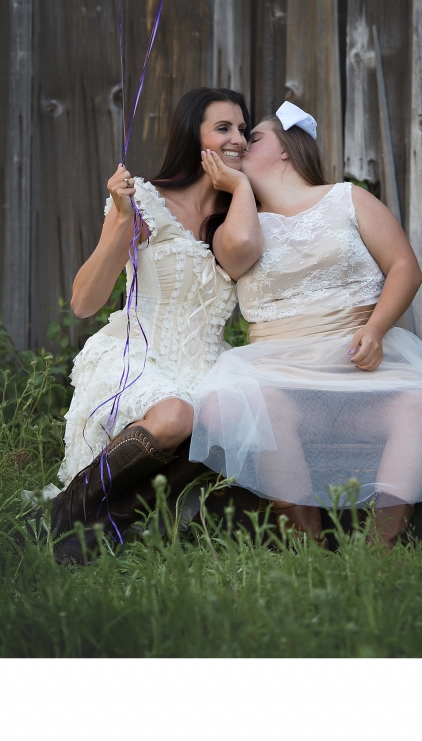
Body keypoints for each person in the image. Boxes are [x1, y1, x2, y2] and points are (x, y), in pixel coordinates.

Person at [189, 101, 422, 548]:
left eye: (257, 136)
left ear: (287, 149)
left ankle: (378, 549)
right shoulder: (236, 225)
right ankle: (311, 546)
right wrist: (238, 190)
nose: (243, 142)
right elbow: (235, 254)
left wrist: (377, 329)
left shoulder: (347, 198)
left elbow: (405, 266)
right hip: (279, 373)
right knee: (227, 405)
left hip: (355, 369)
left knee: (419, 403)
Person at [46, 86, 261, 545]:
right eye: (223, 128)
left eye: (243, 129)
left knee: (231, 421)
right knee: (176, 417)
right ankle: (56, 516)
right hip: (140, 358)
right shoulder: (144, 200)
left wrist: (239, 189)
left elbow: (244, 257)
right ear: (192, 135)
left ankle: (100, 532)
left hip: (207, 366)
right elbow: (84, 302)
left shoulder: (241, 216)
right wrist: (121, 222)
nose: (238, 139)